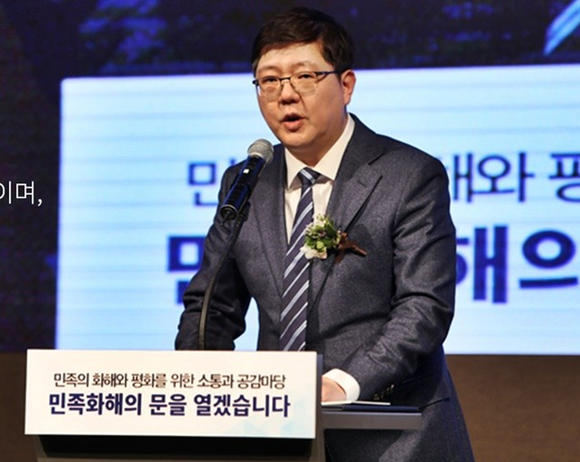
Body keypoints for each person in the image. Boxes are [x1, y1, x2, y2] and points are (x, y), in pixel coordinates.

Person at [176, 6, 474, 462]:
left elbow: (424, 306)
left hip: (393, 437)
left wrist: (341, 384)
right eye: (269, 81)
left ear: (346, 85)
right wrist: (198, 385)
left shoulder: (408, 175)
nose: (285, 95)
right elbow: (212, 305)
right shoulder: (246, 181)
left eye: (305, 77)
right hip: (279, 436)